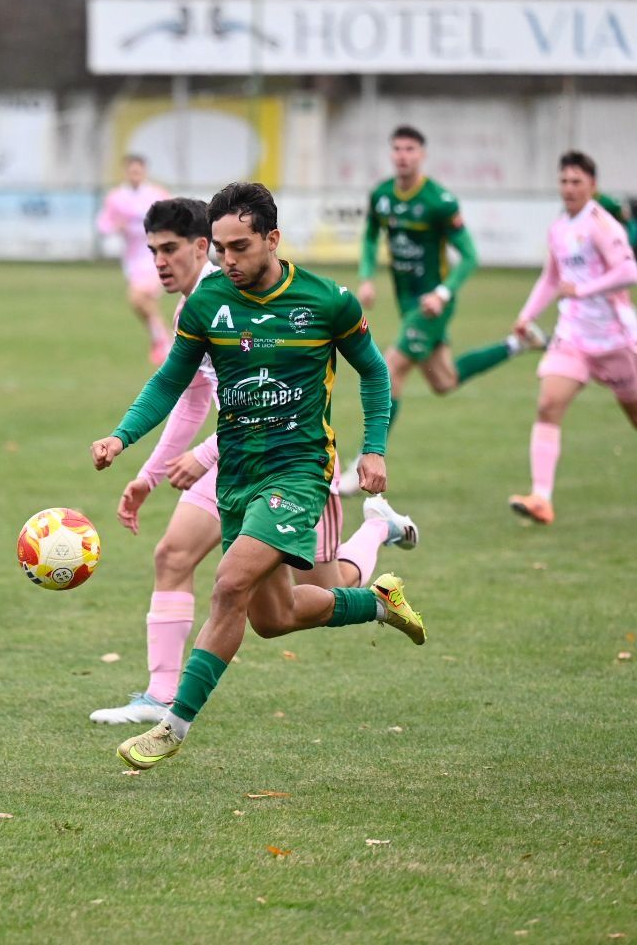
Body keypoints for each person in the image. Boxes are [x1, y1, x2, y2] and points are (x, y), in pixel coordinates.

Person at [91, 181, 426, 771]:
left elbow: (374, 373)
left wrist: (373, 450)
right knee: (276, 618)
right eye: (219, 249)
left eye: (239, 247)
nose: (227, 261)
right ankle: (377, 602)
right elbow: (172, 381)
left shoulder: (328, 302)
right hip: (238, 475)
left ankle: (171, 724)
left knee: (226, 584)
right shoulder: (206, 304)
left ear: (272, 239)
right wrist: (123, 435)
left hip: (298, 471)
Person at [340, 125, 544, 494]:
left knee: (390, 368)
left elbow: (469, 256)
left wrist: (443, 294)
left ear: (422, 155)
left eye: (410, 149)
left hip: (432, 306)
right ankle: (518, 344)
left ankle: (367, 461)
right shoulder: (382, 196)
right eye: (397, 149)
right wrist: (367, 277)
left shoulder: (439, 201)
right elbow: (371, 235)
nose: (403, 155)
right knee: (443, 381)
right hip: (407, 303)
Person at [507, 151, 637, 526]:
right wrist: (527, 314)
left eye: (576, 182)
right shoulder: (559, 227)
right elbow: (552, 278)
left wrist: (583, 289)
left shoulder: (602, 224)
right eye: (564, 181)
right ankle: (541, 499)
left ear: (592, 186)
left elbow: (630, 272)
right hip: (573, 336)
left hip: (615, 340)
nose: (568, 188)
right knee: (548, 404)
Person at [95, 155, 172, 364]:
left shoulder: (157, 195)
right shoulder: (117, 197)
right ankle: (163, 340)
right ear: (126, 172)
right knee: (144, 303)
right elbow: (102, 224)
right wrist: (115, 226)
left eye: (138, 171)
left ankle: (163, 339)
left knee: (137, 298)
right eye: (131, 171)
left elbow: (175, 219)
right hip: (132, 259)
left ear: (144, 172)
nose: (135, 175)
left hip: (156, 255)